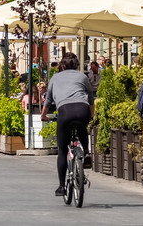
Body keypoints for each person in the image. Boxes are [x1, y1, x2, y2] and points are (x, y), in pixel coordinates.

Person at [43, 52, 95, 197]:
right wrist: (91, 115)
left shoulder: (55, 77)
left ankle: (61, 187)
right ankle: (85, 153)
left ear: (62, 65)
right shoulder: (82, 76)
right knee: (82, 127)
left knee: (62, 150)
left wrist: (43, 115)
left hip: (64, 112)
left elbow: (48, 99)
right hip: (83, 109)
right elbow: (90, 98)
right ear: (77, 65)